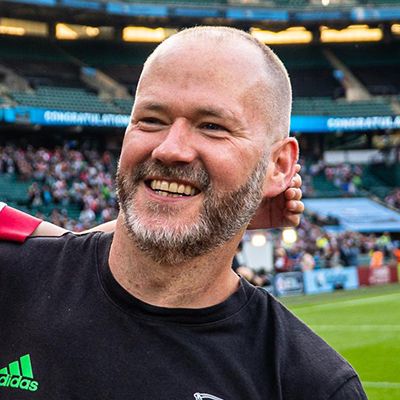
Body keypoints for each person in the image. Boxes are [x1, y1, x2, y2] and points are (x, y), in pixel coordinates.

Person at [0, 26, 366, 399]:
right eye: (151, 120)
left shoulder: (311, 386)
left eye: (212, 127)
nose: (169, 149)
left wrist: (226, 211)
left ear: (279, 166)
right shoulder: (12, 279)